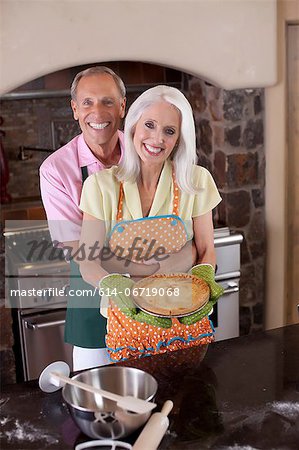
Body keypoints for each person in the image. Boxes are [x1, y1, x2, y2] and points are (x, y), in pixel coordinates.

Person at [78, 85, 222, 362]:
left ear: (179, 139)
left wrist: (205, 275)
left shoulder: (196, 181)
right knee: (135, 403)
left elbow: (206, 249)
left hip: (186, 317)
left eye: (169, 131)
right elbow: (88, 261)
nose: (157, 139)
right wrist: (116, 286)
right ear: (132, 126)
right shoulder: (101, 186)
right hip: (126, 322)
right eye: (150, 125)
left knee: (193, 400)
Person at [39, 66, 127, 370]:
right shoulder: (55, 170)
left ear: (122, 106)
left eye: (107, 101)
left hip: (152, 299)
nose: (97, 111)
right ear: (75, 110)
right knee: (95, 406)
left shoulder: (146, 152)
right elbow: (79, 249)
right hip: (92, 299)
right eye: (87, 103)